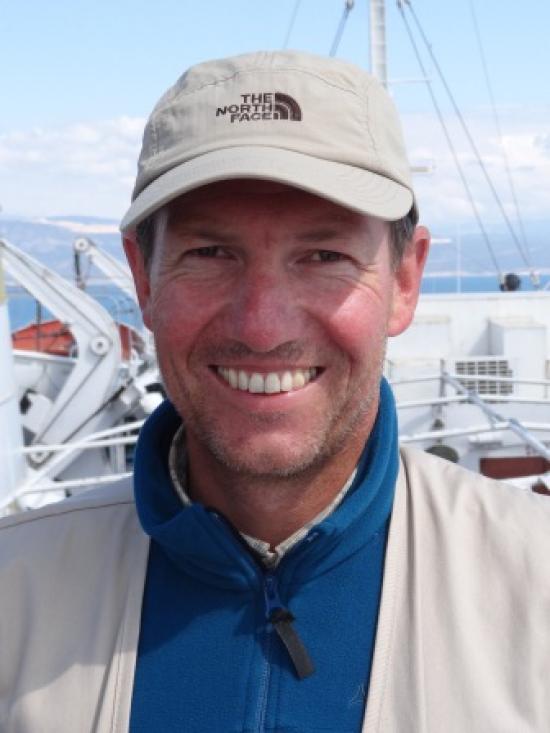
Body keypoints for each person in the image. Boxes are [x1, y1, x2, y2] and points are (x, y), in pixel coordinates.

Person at [1, 50, 549, 733]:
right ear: (144, 280)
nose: (262, 327)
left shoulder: (536, 587)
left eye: (324, 256)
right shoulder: (14, 596)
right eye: (210, 253)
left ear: (405, 282)